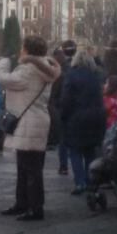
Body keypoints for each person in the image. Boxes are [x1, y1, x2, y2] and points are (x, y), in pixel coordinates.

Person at [0, 36, 61, 221]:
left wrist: (2, 63)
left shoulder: (29, 69)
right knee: (27, 166)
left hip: (29, 122)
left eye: (22, 47)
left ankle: (34, 208)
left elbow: (4, 79)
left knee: (30, 168)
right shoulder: (44, 68)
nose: (20, 50)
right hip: (36, 120)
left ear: (27, 50)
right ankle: (23, 203)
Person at [61, 48, 106, 196]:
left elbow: (66, 100)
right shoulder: (97, 75)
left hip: (76, 117)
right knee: (90, 151)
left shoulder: (71, 75)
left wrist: (63, 116)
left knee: (75, 151)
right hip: (95, 117)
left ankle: (79, 182)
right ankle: (90, 181)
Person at [49, 40, 75, 175]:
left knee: (63, 139)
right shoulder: (71, 68)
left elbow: (52, 92)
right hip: (69, 105)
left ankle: (63, 165)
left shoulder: (55, 71)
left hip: (58, 105)